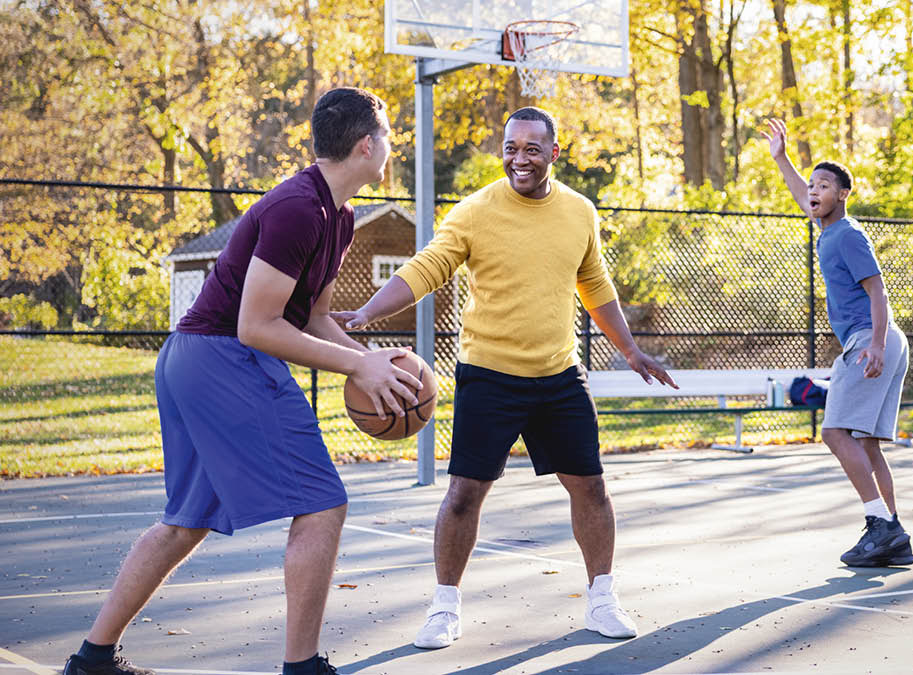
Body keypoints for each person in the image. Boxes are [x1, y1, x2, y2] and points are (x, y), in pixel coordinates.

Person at [61, 87, 422, 675]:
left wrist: (370, 359)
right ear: (365, 144)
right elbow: (257, 326)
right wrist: (358, 367)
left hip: (192, 357)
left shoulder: (339, 217)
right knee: (324, 505)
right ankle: (302, 667)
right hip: (223, 358)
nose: (391, 146)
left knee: (185, 523)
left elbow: (313, 317)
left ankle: (91, 660)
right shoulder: (298, 208)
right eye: (387, 135)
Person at [333, 106, 677, 649]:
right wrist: (367, 312)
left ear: (553, 153)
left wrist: (630, 350)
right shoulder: (475, 211)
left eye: (532, 149)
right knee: (464, 495)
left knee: (591, 487)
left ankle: (602, 598)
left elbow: (594, 284)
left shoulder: (580, 211)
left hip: (559, 374)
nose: (520, 159)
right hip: (489, 375)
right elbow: (427, 267)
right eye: (511, 148)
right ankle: (444, 607)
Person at [761, 118, 913, 568]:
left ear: (843, 194)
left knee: (833, 432)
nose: (813, 191)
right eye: (812, 185)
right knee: (866, 444)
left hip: (871, 339)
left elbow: (877, 291)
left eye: (823, 186)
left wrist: (876, 345)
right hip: (880, 339)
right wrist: (781, 158)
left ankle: (881, 525)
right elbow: (799, 193)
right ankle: (893, 534)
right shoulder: (828, 229)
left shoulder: (847, 234)